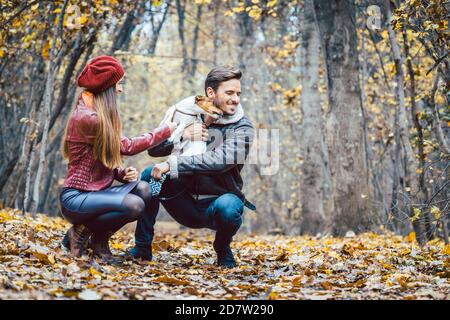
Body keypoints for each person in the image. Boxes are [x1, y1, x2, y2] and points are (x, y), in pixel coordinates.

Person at [130, 66, 255, 268]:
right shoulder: (189, 113)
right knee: (149, 176)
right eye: (230, 93)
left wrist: (173, 163)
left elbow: (220, 161)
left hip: (217, 204)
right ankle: (142, 246)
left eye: (238, 93)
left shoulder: (242, 127)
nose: (236, 99)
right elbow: (154, 149)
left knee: (230, 208)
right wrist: (182, 136)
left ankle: (222, 247)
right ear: (211, 93)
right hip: (182, 202)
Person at [59, 55, 176, 263]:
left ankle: (99, 243)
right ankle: (77, 233)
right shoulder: (88, 118)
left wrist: (122, 174)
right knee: (135, 205)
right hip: (76, 197)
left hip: (95, 194)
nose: (120, 89)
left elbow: (101, 158)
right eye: (118, 84)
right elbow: (127, 146)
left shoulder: (97, 114)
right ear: (107, 87)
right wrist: (165, 131)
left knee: (145, 189)